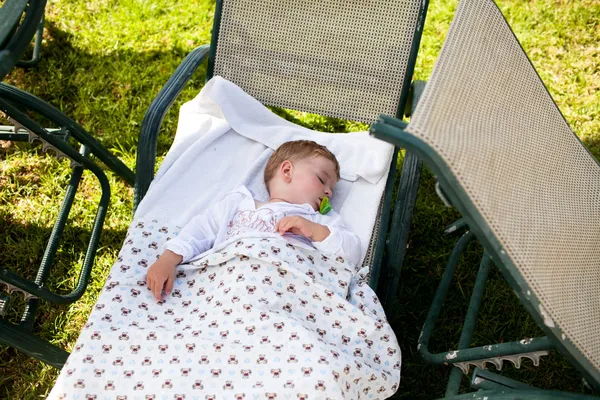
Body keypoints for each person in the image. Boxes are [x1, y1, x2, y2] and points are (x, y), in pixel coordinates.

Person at [145, 140, 361, 301]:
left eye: (331, 189)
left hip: (289, 292)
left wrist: (314, 231)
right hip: (228, 287)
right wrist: (168, 259)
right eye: (323, 180)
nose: (328, 192)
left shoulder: (319, 219)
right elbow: (200, 231)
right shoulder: (237, 204)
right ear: (287, 171)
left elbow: (351, 254)